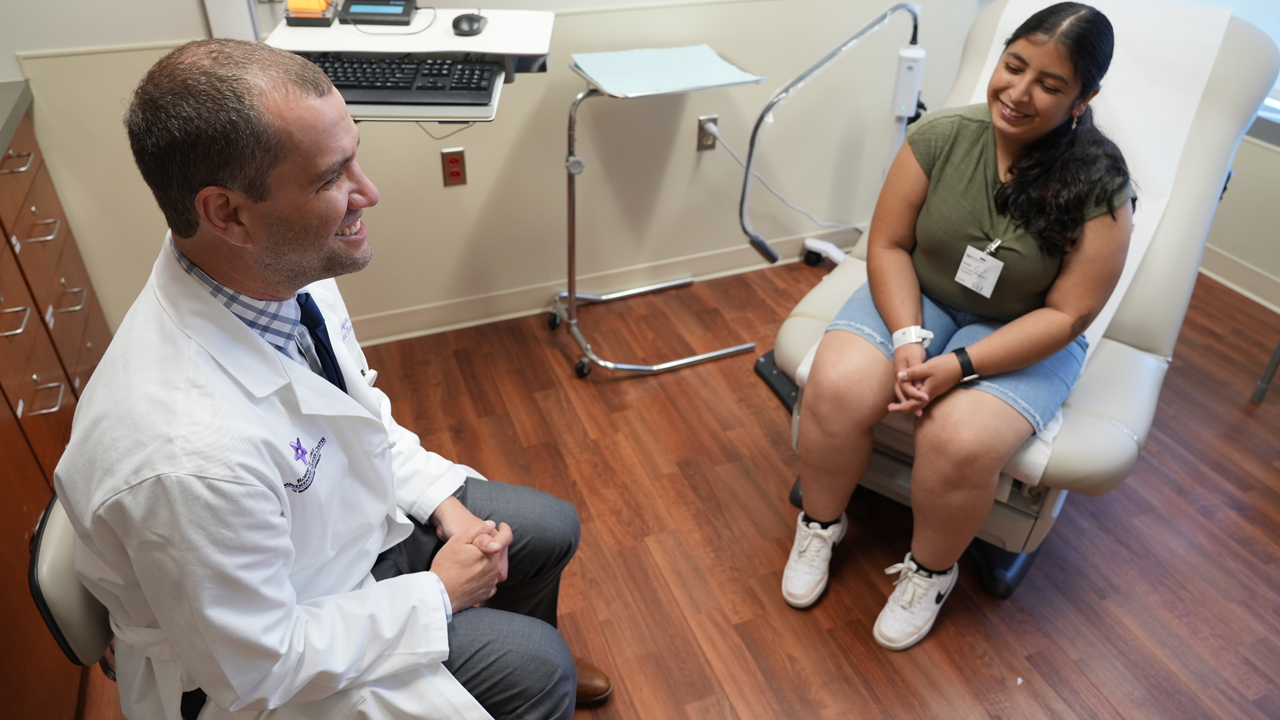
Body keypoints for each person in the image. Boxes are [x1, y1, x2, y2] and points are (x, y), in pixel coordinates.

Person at [54, 39, 612, 720]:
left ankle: (511, 652)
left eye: (354, 156)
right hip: (260, 664)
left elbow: (356, 410)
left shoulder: (268, 268)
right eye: (331, 178)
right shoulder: (182, 455)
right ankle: (518, 673)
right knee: (535, 670)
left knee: (546, 528)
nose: (369, 193)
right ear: (227, 213)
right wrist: (436, 595)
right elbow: (259, 667)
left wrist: (445, 505)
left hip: (337, 547)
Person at [780, 2, 1134, 651]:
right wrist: (911, 339)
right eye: (1014, 66)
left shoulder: (1100, 186)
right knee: (835, 387)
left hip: (1029, 327)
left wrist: (960, 367)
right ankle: (820, 524)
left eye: (1050, 84)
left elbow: (1069, 312)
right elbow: (887, 246)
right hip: (923, 295)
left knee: (960, 438)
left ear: (1084, 96)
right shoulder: (942, 136)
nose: (1018, 93)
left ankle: (929, 572)